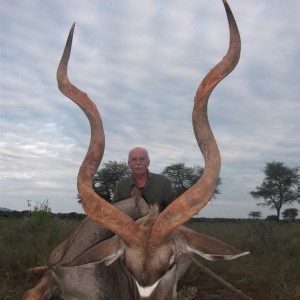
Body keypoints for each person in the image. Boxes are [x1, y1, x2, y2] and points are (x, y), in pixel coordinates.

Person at [112, 147, 175, 211]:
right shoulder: (121, 185)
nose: (138, 163)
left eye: (142, 159)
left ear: (148, 162)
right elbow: (114, 212)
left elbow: (173, 210)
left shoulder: (163, 181)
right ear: (129, 163)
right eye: (134, 159)